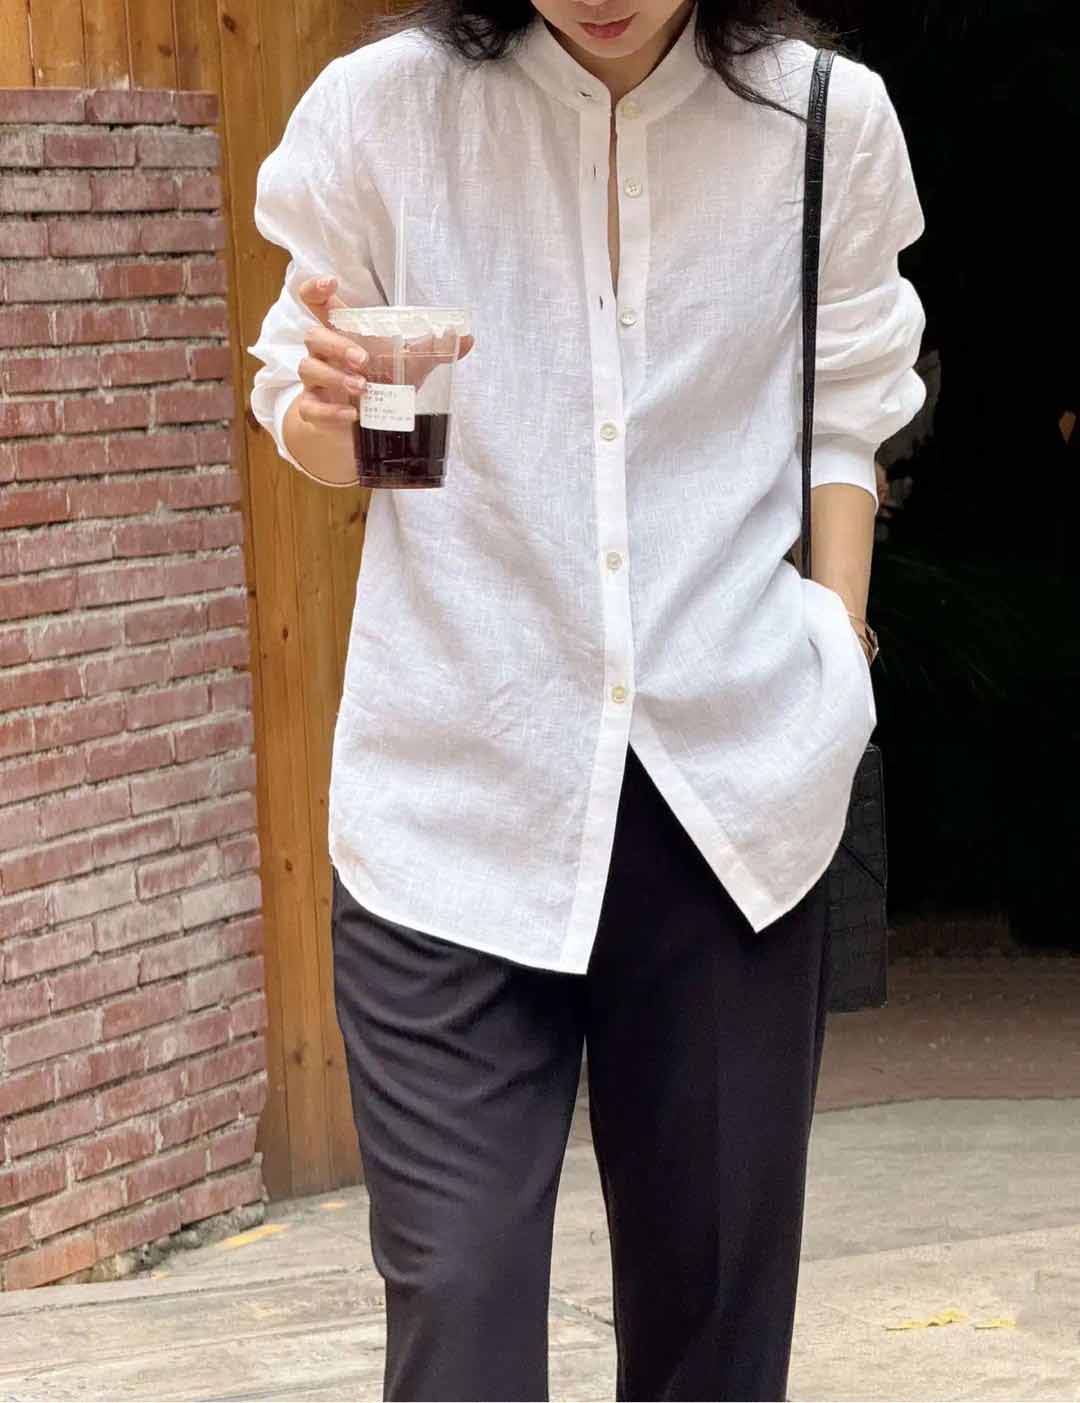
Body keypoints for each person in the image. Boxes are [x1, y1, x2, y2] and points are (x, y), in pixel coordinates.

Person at [248, 2, 925, 1398]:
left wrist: (838, 642)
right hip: (454, 795)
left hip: (729, 796)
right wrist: (324, 417)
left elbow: (849, 404)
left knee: (711, 1338)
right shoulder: (384, 112)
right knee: (458, 1307)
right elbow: (313, 409)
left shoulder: (825, 122)